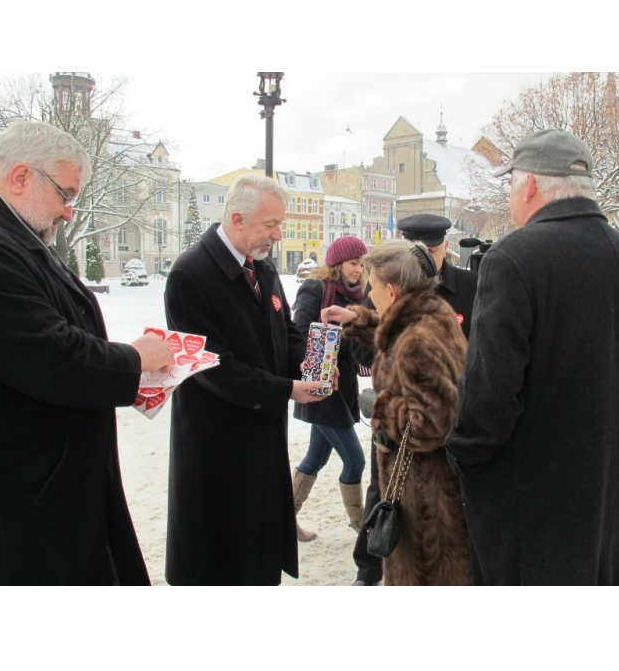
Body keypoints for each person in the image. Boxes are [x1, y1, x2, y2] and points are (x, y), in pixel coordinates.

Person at [0, 121, 176, 585]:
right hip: (18, 505)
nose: (69, 212)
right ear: (21, 177)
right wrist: (136, 358)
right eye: (65, 195)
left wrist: (119, 373)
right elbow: (54, 357)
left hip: (47, 488)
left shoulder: (9, 236)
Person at [444, 129, 619, 585]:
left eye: (510, 185)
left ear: (529, 186)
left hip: (535, 513)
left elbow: (489, 396)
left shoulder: (515, 257)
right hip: (614, 505)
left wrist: (463, 458)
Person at [163, 175, 327, 585]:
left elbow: (284, 332)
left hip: (262, 438)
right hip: (216, 449)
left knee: (259, 554)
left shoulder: (262, 265)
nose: (278, 233)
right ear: (237, 218)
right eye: (271, 224)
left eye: (280, 224)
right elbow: (213, 368)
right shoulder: (190, 274)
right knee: (221, 559)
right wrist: (288, 389)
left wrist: (311, 365)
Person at [323, 239, 472, 586]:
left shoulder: (418, 340)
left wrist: (381, 407)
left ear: (391, 291)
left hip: (423, 499)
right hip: (430, 490)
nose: (368, 296)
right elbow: (399, 333)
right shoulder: (431, 313)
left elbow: (434, 421)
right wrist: (360, 321)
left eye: (372, 288)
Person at [291, 236, 369, 541]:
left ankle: (284, 520)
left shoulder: (360, 295)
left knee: (315, 458)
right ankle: (362, 527)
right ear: (337, 263)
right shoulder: (316, 288)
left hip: (344, 385)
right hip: (321, 386)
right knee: (355, 461)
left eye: (361, 263)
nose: (358, 269)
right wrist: (326, 351)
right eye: (353, 263)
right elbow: (298, 331)